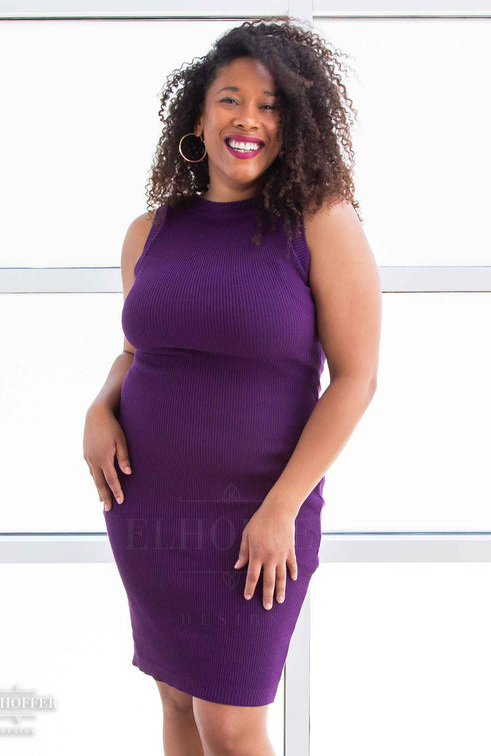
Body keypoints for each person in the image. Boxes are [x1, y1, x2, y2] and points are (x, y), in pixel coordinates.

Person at [83, 16, 381, 756]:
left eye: (270, 105)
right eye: (230, 99)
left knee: (231, 724)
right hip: (149, 508)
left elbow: (356, 379)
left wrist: (282, 508)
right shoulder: (150, 232)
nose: (249, 118)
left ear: (294, 124)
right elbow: (139, 351)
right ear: (198, 116)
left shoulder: (320, 222)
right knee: (177, 703)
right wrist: (99, 405)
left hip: (260, 514)